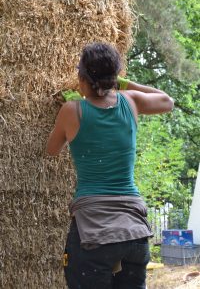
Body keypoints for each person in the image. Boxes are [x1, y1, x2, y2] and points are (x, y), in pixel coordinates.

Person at [46, 42, 174, 289]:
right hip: (134, 232)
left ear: (82, 77)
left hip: (93, 232)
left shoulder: (72, 110)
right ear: (113, 78)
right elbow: (167, 101)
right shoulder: (131, 101)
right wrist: (124, 85)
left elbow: (51, 150)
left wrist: (71, 116)